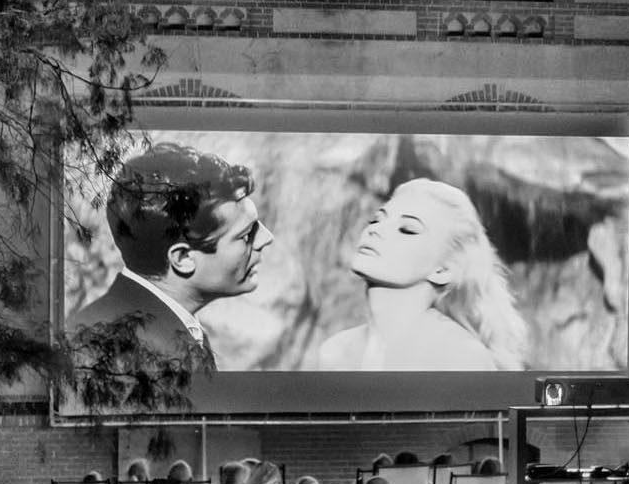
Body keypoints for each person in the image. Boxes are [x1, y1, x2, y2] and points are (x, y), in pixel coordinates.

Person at [65, 144, 269, 383]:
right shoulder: (112, 352)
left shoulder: (172, 331)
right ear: (182, 258)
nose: (266, 238)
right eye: (246, 235)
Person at [315, 177, 529, 371]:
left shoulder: (461, 357)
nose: (375, 229)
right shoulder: (334, 352)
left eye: (407, 229)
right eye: (376, 220)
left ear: (443, 270)